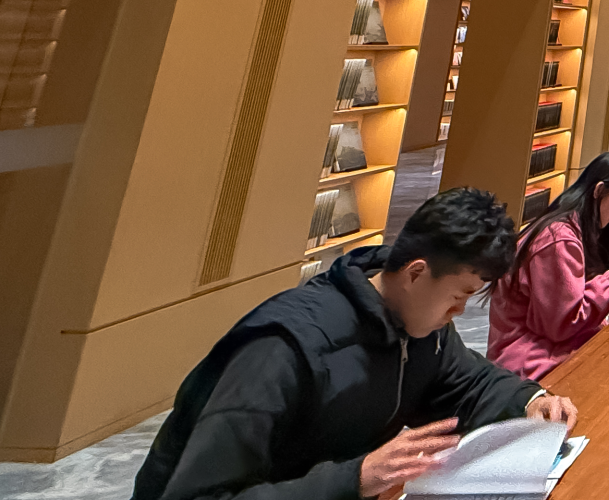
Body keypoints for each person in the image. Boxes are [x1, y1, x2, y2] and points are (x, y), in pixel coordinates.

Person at [132, 189, 576, 500]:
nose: (458, 313)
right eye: (458, 296)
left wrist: (530, 400)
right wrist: (356, 478)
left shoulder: (418, 325)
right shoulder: (282, 350)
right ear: (416, 273)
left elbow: (464, 384)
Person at [487, 152, 609, 380]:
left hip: (538, 347)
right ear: (598, 191)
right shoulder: (559, 239)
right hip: (525, 358)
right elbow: (563, 325)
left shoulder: (571, 229)